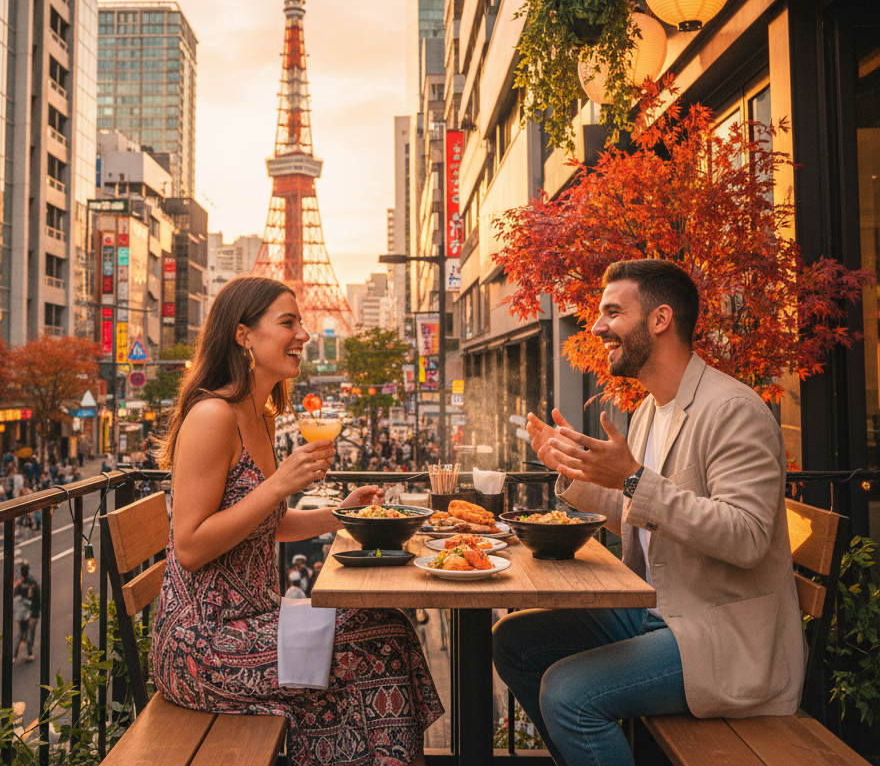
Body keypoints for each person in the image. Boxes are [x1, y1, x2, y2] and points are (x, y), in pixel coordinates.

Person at [492, 259, 805, 766]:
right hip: (657, 615)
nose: (596, 327)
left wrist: (633, 478)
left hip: (720, 636)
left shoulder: (734, 410)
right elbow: (642, 515)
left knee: (568, 694)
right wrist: (576, 472)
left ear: (660, 320)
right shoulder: (647, 414)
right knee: (514, 640)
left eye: (612, 312)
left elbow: (746, 537)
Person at [151, 276, 442, 766]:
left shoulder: (260, 416)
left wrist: (340, 512)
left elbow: (271, 522)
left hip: (256, 623)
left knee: (386, 625)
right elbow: (191, 547)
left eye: (301, 322)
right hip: (205, 644)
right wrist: (279, 484)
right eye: (288, 322)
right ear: (243, 335)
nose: (304, 334)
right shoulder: (213, 416)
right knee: (379, 644)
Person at [13, 560, 40, 662]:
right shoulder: (30, 582)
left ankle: (17, 655)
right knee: (28, 633)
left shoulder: (23, 583)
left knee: (24, 633)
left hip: (26, 611)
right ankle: (27, 653)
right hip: (28, 611)